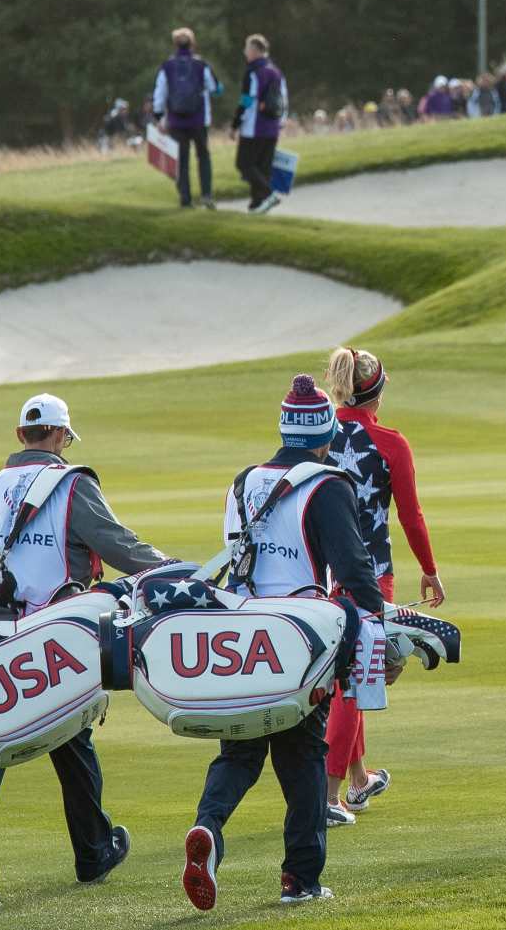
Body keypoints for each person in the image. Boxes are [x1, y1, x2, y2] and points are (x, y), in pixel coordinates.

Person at [0, 394, 170, 908]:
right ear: (61, 436)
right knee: (72, 730)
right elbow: (119, 547)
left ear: (20, 435)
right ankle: (93, 851)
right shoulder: (71, 482)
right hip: (58, 632)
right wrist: (171, 570)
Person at [182, 376, 387, 911]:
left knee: (240, 750)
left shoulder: (244, 479)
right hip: (299, 637)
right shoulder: (328, 483)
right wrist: (379, 620)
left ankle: (208, 829)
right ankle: (300, 878)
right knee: (302, 759)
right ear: (325, 431)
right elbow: (353, 568)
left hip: (238, 629)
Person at [321, 348, 444, 826]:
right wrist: (430, 568)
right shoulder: (390, 443)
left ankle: (357, 779)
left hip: (318, 575)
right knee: (357, 679)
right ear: (378, 389)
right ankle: (328, 797)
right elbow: (410, 515)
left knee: (348, 672)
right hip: (371, 575)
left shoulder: (317, 435)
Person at [154, 26, 217, 210]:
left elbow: (159, 94)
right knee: (203, 157)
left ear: (174, 44)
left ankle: (185, 199)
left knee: (181, 160)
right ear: (193, 43)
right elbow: (213, 87)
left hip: (176, 121)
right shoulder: (201, 65)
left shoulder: (167, 66)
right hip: (199, 119)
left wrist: (159, 118)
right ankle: (206, 195)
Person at [230, 34, 288, 214]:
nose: (245, 52)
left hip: (254, 128)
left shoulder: (253, 72)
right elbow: (284, 99)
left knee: (244, 164)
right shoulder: (277, 72)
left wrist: (235, 124)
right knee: (262, 168)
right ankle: (256, 204)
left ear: (255, 51)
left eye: (247, 49)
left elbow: (247, 101)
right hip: (272, 128)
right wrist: (281, 121)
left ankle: (269, 195)